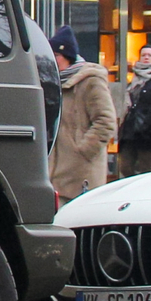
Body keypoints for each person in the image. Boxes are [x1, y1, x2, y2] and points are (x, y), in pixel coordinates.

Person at [47, 27, 117, 205]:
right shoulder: (53, 82)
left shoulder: (91, 81)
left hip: (82, 175)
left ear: (67, 56)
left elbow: (106, 122)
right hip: (56, 174)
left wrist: (83, 151)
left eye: (55, 55)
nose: (51, 60)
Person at [115, 43, 151, 177]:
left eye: (149, 55)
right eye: (143, 55)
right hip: (130, 131)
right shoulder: (134, 78)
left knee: (145, 169)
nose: (146, 58)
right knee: (125, 167)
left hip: (149, 133)